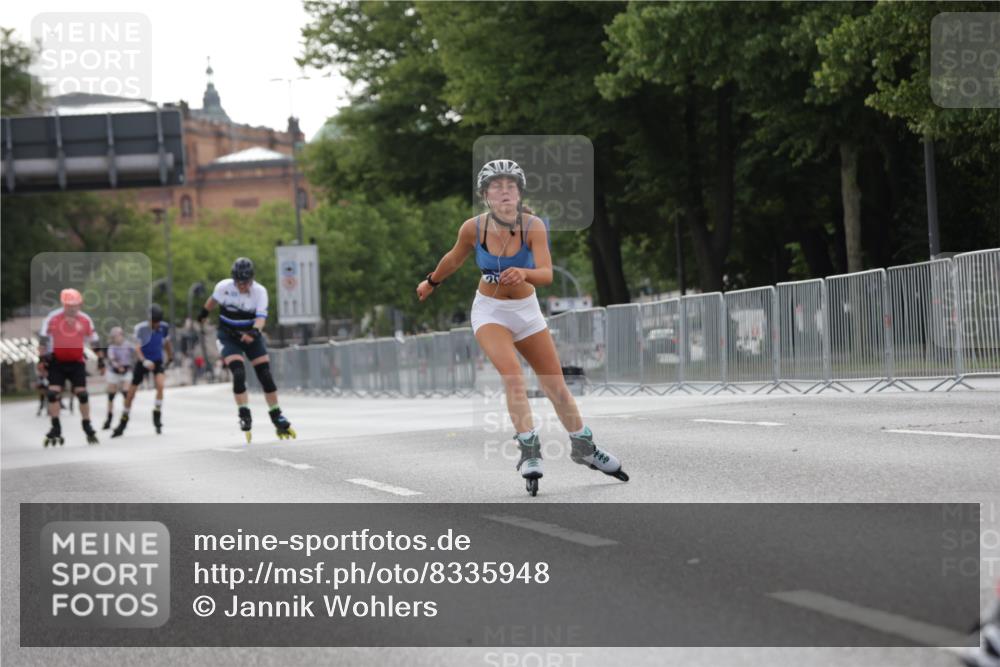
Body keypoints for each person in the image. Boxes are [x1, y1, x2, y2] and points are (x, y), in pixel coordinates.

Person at [415, 159, 629, 496]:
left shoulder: (534, 226)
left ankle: (584, 448)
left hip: (526, 310)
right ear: (485, 195)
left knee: (555, 385)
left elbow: (546, 273)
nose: (504, 192)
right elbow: (454, 258)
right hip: (490, 311)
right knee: (512, 375)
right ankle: (529, 450)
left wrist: (525, 273)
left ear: (519, 193)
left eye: (510, 186)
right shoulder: (473, 228)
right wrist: (432, 281)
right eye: (496, 187)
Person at [198, 257, 295, 442]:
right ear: (234, 279)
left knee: (265, 374)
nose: (242, 286)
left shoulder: (259, 292)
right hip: (229, 337)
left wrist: (254, 331)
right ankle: (244, 413)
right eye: (239, 282)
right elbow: (212, 301)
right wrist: (202, 314)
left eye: (246, 282)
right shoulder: (224, 287)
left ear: (252, 279)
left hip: (251, 336)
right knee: (239, 372)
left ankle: (276, 415)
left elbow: (260, 318)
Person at [38, 288, 100, 446]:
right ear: (63, 304)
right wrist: (41, 359)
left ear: (80, 304)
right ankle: (56, 426)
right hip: (56, 361)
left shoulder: (85, 319)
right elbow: (43, 340)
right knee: (52, 394)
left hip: (76, 361)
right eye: (69, 305)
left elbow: (94, 339)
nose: (72, 308)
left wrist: (101, 360)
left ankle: (87, 425)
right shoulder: (53, 318)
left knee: (83, 394)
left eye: (75, 305)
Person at [111, 305, 173, 437]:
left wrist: (170, 356)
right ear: (149, 319)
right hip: (143, 361)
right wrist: (144, 361)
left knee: (160, 385)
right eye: (154, 321)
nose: (156, 324)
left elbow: (167, 343)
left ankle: (157, 413)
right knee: (130, 394)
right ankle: (124, 420)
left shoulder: (164, 327)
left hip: (157, 360)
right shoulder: (140, 328)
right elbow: (137, 347)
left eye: (158, 321)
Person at [101, 326, 135, 430]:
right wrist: (118, 367)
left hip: (126, 370)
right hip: (114, 371)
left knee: (126, 393)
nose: (116, 338)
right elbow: (112, 359)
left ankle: (125, 416)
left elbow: (136, 353)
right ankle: (109, 418)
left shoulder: (128, 345)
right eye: (114, 337)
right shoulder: (112, 347)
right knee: (111, 395)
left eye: (118, 336)